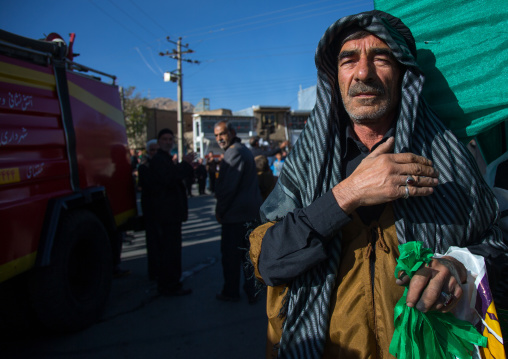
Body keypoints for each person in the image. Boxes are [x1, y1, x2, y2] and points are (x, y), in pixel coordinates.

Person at [248, 10, 508, 358]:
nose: (363, 73)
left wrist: (457, 266)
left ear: (403, 75)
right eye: (348, 60)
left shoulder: (448, 159)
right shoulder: (309, 163)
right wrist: (347, 194)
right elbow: (270, 262)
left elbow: (496, 246)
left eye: (380, 58)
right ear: (333, 76)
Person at [214, 121, 263, 303]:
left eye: (222, 134)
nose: (219, 138)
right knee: (247, 257)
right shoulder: (241, 150)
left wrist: (220, 210)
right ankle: (252, 292)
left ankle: (231, 292)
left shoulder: (234, 152)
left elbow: (228, 188)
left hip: (236, 217)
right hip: (247, 214)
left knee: (232, 258)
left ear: (232, 132)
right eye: (216, 135)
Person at [150, 128, 194, 296]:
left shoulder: (165, 159)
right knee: (170, 251)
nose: (168, 142)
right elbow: (170, 178)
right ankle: (170, 285)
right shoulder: (159, 161)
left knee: (171, 250)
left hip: (171, 214)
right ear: (159, 141)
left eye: (170, 139)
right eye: (165, 139)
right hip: (167, 214)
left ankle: (169, 282)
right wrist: (185, 164)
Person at [137, 138, 159, 280]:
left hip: (163, 210)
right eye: (152, 150)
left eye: (157, 150)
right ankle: (154, 272)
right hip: (151, 209)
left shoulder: (164, 164)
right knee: (152, 243)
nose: (154, 153)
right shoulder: (144, 167)